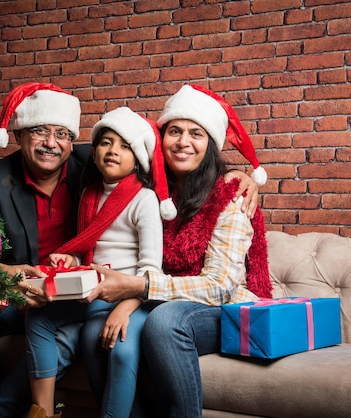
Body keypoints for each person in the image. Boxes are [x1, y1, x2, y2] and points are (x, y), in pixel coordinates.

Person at [83, 84, 272, 417]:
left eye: (196, 134)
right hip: (160, 300)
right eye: (174, 131)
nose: (183, 142)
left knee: (165, 322)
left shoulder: (231, 192)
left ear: (211, 144)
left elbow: (219, 286)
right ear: (161, 139)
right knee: (96, 334)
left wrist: (138, 287)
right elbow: (88, 158)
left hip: (221, 308)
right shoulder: (150, 190)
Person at [0, 82, 90, 418]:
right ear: (19, 135)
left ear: (72, 142)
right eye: (40, 131)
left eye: (61, 134)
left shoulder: (94, 163)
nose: (50, 143)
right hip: (17, 296)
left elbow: (160, 157)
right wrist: (8, 276)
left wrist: (239, 177)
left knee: (60, 337)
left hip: (73, 300)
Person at [24, 107, 172, 418]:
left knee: (121, 349)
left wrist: (124, 307)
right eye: (106, 142)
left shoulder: (143, 199)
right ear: (93, 153)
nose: (113, 151)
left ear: (138, 158)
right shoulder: (89, 194)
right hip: (92, 290)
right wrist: (71, 256)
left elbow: (150, 270)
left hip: (131, 298)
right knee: (37, 317)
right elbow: (89, 247)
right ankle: (43, 412)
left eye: (124, 145)